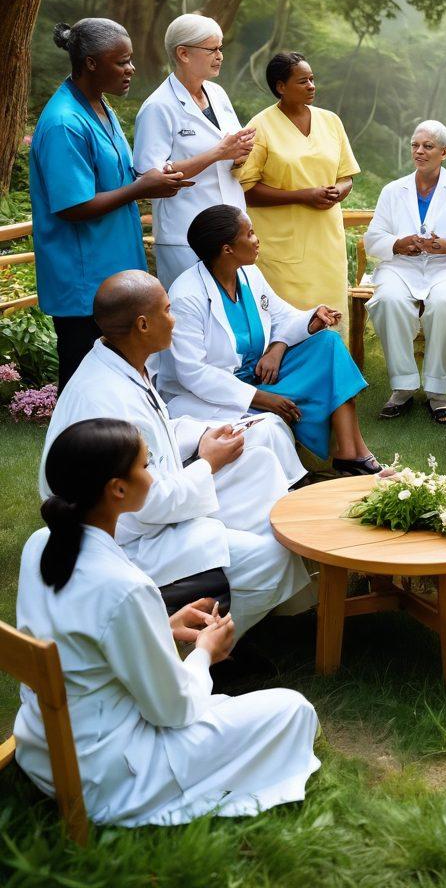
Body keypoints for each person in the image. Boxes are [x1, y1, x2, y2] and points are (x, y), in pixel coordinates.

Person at [16, 419, 320, 827]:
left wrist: (160, 624)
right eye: (146, 466)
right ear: (117, 490)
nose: (154, 474)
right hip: (109, 775)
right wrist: (204, 654)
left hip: (41, 749)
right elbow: (173, 711)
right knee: (293, 710)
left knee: (235, 710)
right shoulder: (126, 587)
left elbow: (85, 634)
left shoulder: (41, 544)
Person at [39, 270, 313, 639]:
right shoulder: (108, 396)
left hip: (149, 499)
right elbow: (147, 502)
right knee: (269, 557)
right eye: (168, 311)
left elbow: (158, 429)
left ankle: (279, 590)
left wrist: (204, 436)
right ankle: (209, 646)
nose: (175, 319)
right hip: (129, 533)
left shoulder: (115, 358)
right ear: (143, 324)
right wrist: (208, 463)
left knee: (258, 464)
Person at [158, 205, 381, 475]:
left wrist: (284, 342)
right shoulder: (187, 296)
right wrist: (259, 398)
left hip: (262, 375)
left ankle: (350, 453)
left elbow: (282, 316)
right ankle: (353, 460)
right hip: (216, 396)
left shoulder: (248, 273)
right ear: (227, 248)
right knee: (295, 403)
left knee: (328, 344)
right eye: (250, 234)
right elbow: (193, 373)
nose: (256, 239)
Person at [29, 18, 189, 389]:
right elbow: (72, 206)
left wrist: (154, 181)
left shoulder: (101, 106)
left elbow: (115, 178)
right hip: (84, 279)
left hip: (114, 269)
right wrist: (141, 188)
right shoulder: (64, 123)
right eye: (122, 61)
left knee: (116, 379)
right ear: (91, 63)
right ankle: (71, 446)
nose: (131, 69)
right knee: (85, 382)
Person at [364, 120, 446, 423]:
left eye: (428, 146)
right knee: (389, 301)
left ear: (445, 152)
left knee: (444, 303)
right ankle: (403, 387)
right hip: (402, 267)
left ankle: (437, 391)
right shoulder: (392, 190)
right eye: (415, 145)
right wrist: (399, 243)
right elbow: (373, 239)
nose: (419, 151)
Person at [234, 51, 359, 332]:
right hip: (281, 244)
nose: (312, 86)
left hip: (326, 241)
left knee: (332, 311)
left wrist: (338, 191)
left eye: (313, 79)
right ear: (281, 86)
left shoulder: (331, 121)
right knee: (289, 320)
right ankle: (287, 373)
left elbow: (346, 176)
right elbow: (246, 189)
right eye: (303, 81)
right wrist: (303, 195)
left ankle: (335, 373)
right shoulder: (260, 127)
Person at [133, 13, 256, 290]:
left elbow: (229, 146)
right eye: (212, 49)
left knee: (231, 313)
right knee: (192, 315)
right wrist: (216, 153)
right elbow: (148, 177)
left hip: (231, 229)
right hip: (185, 234)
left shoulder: (218, 94)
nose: (220, 56)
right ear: (183, 53)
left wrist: (241, 151)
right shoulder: (158, 107)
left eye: (220, 48)